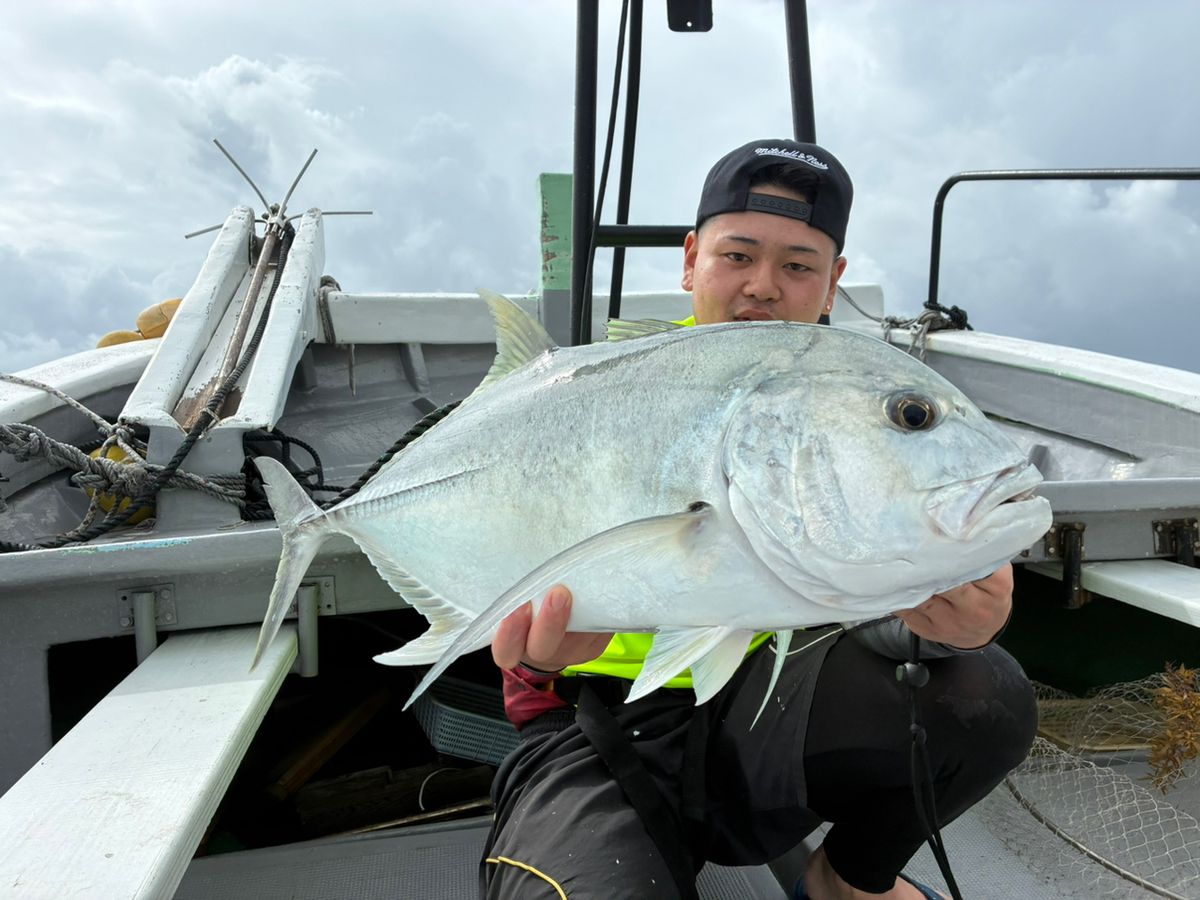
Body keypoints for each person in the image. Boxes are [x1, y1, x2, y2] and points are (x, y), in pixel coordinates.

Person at [479, 139, 1037, 900]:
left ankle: (845, 881)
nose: (764, 287)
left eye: (799, 265)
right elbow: (506, 595)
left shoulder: (845, 394)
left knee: (986, 694)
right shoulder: (597, 388)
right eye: (737, 255)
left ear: (834, 280)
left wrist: (940, 623)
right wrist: (535, 664)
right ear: (689, 260)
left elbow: (840, 595)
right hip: (592, 723)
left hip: (764, 705)